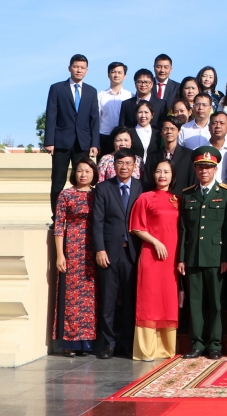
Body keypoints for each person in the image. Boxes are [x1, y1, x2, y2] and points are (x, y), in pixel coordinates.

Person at [178, 148, 227, 360]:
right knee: (195, 303)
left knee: (216, 303)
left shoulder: (226, 193)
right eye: (201, 167)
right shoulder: (188, 194)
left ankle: (215, 344)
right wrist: (182, 257)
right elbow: (184, 229)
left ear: (215, 169)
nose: (204, 171)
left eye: (208, 167)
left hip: (215, 257)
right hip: (193, 256)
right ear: (195, 168)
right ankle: (197, 343)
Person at [91, 150, 142, 359]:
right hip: (109, 252)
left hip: (132, 253)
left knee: (131, 301)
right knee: (108, 301)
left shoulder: (141, 187)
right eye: (120, 163)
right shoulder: (104, 188)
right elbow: (97, 222)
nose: (124, 167)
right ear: (114, 165)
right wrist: (100, 249)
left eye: (128, 163)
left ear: (134, 166)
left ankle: (127, 343)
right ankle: (107, 343)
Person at [128, 159, 181, 360]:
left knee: (168, 300)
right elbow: (136, 227)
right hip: (151, 256)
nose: (162, 175)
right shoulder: (145, 198)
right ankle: (146, 349)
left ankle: (166, 348)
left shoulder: (177, 199)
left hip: (172, 259)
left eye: (166, 171)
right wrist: (156, 242)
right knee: (149, 300)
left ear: (172, 176)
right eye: (158, 171)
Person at [44, 54, 101, 213]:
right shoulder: (57, 88)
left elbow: (94, 119)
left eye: (82, 68)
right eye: (76, 67)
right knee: (58, 181)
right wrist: (49, 141)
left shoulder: (91, 91)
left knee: (83, 180)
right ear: (70, 68)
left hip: (82, 143)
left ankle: (81, 214)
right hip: (61, 142)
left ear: (87, 70)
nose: (79, 70)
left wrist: (94, 143)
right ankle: (56, 217)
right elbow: (51, 115)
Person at [53, 157, 97, 357]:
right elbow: (59, 226)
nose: (83, 175)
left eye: (87, 171)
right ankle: (69, 341)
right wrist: (60, 254)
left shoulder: (98, 194)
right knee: (71, 296)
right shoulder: (65, 195)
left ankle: (87, 341)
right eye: (80, 170)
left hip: (93, 248)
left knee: (91, 295)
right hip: (72, 248)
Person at [98, 62, 132, 157]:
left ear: (124, 76)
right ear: (108, 74)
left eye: (119, 72)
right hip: (104, 138)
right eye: (113, 72)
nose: (116, 75)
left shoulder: (130, 96)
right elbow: (96, 119)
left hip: (123, 140)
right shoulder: (101, 95)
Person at [206, 112, 227, 184]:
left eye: (222, 123)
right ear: (209, 127)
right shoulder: (201, 151)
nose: (218, 126)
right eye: (214, 123)